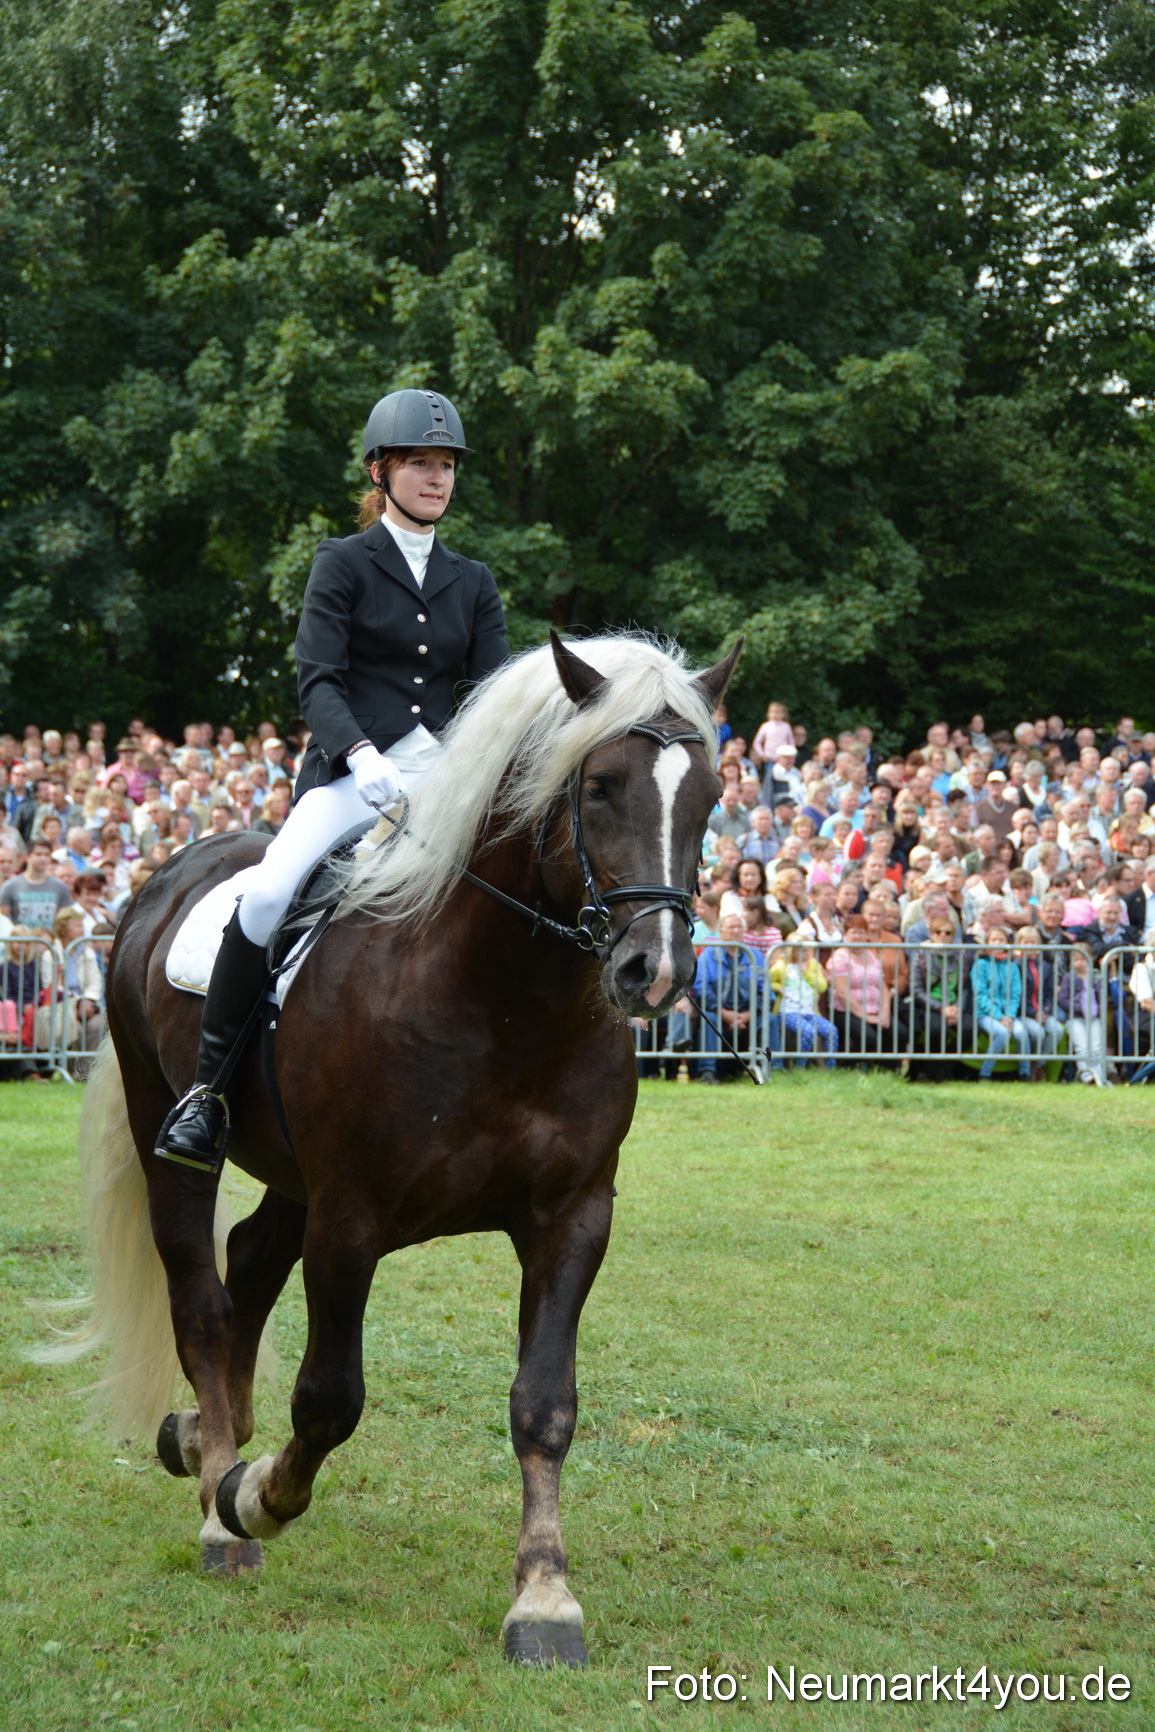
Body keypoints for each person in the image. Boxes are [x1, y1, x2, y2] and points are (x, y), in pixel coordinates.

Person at [158, 388, 510, 1169]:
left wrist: (464, 769)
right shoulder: (342, 563)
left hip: (444, 780)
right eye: (420, 462)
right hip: (352, 773)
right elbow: (318, 680)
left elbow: (492, 695)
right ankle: (205, 1094)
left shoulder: (473, 581)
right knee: (272, 891)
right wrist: (359, 755)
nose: (436, 477)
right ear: (380, 471)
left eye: (446, 465)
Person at [694, 912, 764, 1083]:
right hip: (717, 1010)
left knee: (769, 1019)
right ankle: (707, 1071)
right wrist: (723, 1012)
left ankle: (774, 1069)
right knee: (709, 1019)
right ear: (721, 931)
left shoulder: (756, 956)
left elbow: (766, 990)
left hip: (748, 1011)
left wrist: (749, 1013)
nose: (735, 931)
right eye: (731, 927)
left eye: (739, 927)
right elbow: (701, 987)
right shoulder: (708, 955)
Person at [971, 926, 1032, 1080]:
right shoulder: (980, 965)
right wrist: (999, 1017)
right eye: (993, 939)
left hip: (1008, 1014)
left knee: (1021, 1032)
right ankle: (985, 1073)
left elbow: (1015, 994)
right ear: (987, 943)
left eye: (1001, 939)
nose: (997, 943)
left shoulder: (1012, 967)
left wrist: (1010, 1016)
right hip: (985, 1013)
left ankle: (1024, 1073)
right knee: (1001, 1032)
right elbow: (980, 995)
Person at [769, 942, 838, 1068]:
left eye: (807, 950)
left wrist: (807, 973)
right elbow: (768, 981)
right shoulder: (782, 966)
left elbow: (822, 986)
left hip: (810, 1012)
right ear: (792, 951)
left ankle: (830, 1067)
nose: (804, 954)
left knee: (831, 1030)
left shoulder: (813, 965)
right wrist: (778, 987)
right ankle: (800, 1066)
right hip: (788, 1012)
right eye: (800, 950)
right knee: (808, 1031)